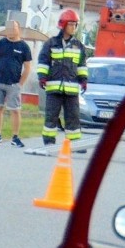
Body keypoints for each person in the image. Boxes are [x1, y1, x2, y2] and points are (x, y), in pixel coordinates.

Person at [37, 9, 88, 146]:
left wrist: (83, 81)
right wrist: (42, 77)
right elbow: (43, 62)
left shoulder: (79, 46)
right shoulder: (51, 43)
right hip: (54, 88)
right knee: (51, 116)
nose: (74, 27)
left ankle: (75, 143)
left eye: (76, 25)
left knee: (73, 117)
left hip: (71, 89)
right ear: (63, 25)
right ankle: (49, 142)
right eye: (71, 24)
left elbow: (81, 66)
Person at [0, 20, 32, 147]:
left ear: (18, 29)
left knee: (15, 110)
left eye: (13, 28)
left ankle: (15, 137)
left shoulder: (24, 47)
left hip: (13, 84)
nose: (11, 31)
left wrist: (20, 84)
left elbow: (28, 67)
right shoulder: (0, 44)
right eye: (9, 28)